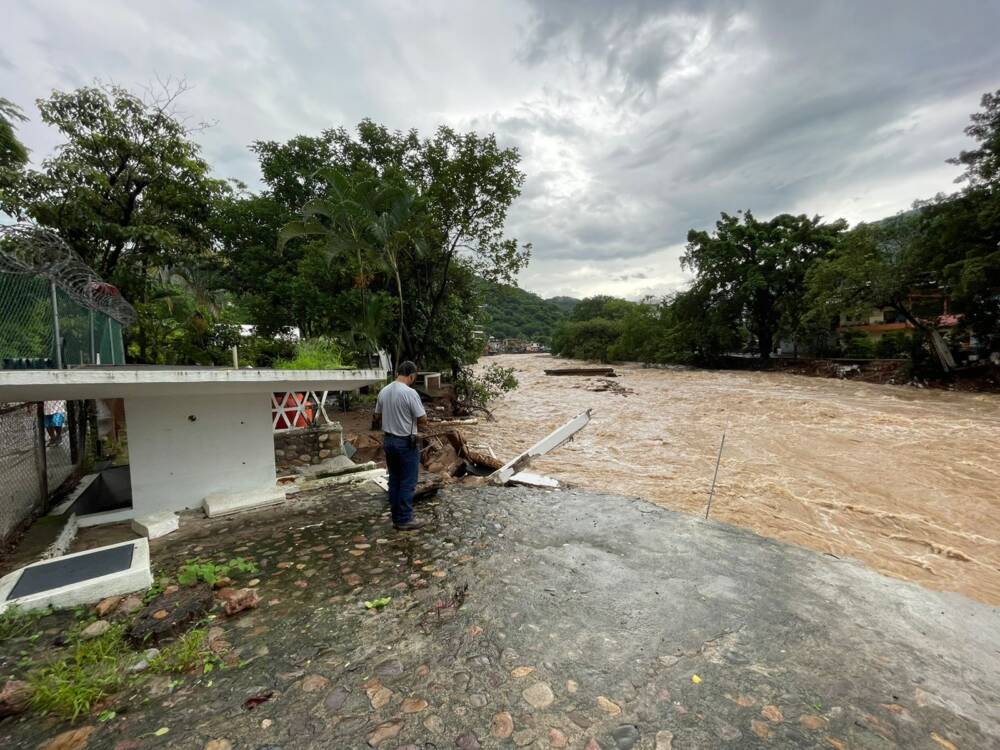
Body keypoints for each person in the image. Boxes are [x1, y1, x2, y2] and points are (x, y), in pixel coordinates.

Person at [373, 361, 429, 530]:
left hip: (388, 441)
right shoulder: (410, 393)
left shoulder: (384, 391)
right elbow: (422, 419)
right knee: (407, 481)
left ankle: (396, 516)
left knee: (395, 479)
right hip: (405, 442)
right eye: (414, 377)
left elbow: (376, 416)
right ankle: (405, 519)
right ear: (411, 375)